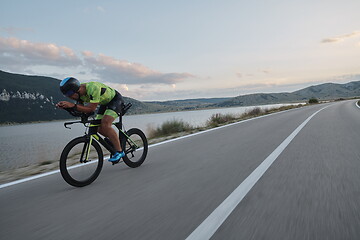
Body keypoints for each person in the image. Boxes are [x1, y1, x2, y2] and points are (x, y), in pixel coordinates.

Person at [56, 77, 125, 162]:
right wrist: (67, 108)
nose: (70, 97)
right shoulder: (78, 96)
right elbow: (82, 110)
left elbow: (91, 109)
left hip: (115, 100)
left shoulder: (93, 88)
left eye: (70, 94)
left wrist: (72, 105)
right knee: (97, 127)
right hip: (103, 103)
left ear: (77, 89)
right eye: (67, 96)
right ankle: (115, 141)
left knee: (105, 123)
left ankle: (119, 151)